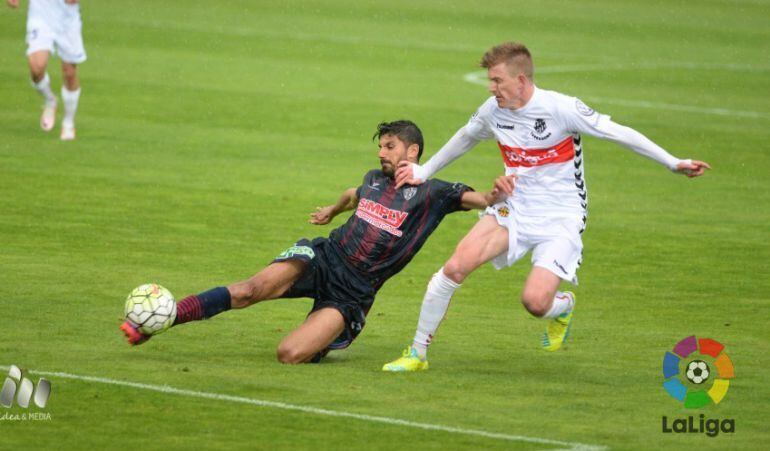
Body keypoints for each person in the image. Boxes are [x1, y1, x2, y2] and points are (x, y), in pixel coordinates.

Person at [382, 42, 711, 372]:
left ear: (521, 80)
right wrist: (424, 171)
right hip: (515, 208)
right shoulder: (492, 110)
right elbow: (466, 136)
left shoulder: (561, 108)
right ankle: (417, 353)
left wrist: (672, 162)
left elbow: (618, 133)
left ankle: (563, 306)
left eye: (498, 81)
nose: (491, 88)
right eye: (490, 81)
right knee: (454, 267)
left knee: (535, 303)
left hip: (561, 216)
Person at [119, 120, 509, 364]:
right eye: (380, 147)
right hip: (323, 256)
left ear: (413, 151)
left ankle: (328, 336)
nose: (381, 153)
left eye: (389, 147)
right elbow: (352, 193)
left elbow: (479, 201)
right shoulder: (373, 178)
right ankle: (165, 319)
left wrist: (495, 195)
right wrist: (331, 211)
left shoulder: (435, 193)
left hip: (353, 293)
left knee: (289, 355)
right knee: (249, 290)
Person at [7, 0, 86, 140]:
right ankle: (50, 100)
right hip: (40, 13)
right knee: (36, 68)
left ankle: (68, 123)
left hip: (67, 18)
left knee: (69, 72)